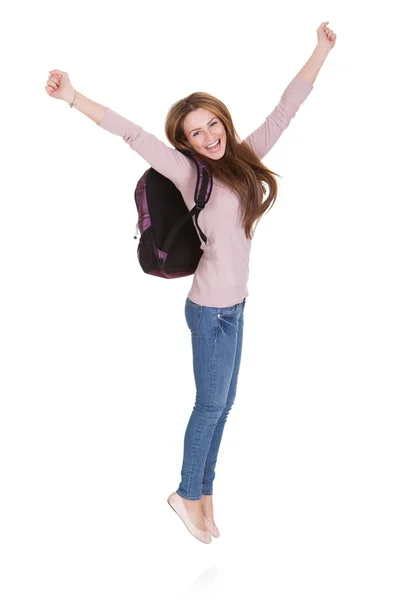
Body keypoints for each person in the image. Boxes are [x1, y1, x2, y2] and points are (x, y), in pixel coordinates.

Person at [45, 21, 336, 545]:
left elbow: (286, 107)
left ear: (223, 121)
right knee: (209, 406)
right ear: (185, 142)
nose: (209, 137)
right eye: (195, 133)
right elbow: (133, 133)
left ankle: (204, 494)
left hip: (238, 307)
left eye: (212, 125)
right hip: (208, 311)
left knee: (224, 405)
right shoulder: (187, 173)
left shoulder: (246, 159)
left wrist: (320, 50)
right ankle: (185, 493)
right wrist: (72, 97)